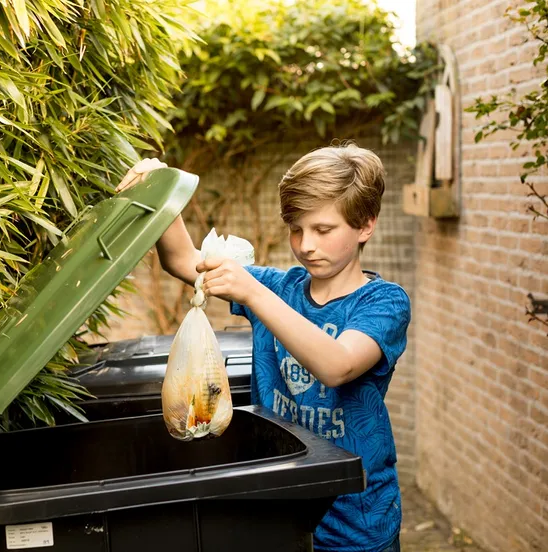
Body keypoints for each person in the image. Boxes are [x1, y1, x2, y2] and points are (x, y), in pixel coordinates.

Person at [117, 144, 410, 552]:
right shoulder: (280, 288)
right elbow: (182, 260)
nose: (306, 244)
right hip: (277, 511)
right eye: (296, 229)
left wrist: (252, 292)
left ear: (365, 226)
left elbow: (337, 365)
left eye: (323, 230)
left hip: (356, 522)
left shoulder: (383, 303)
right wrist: (162, 185)